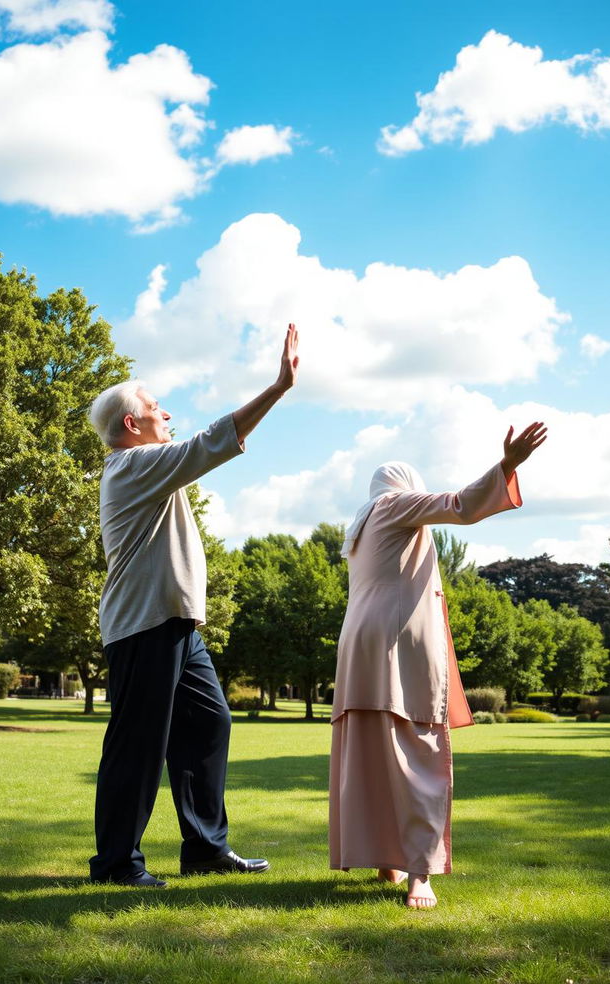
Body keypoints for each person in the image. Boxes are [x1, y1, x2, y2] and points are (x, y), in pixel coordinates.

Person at [88, 325, 299, 887]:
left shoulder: (149, 469)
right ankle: (115, 865)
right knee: (138, 745)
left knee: (209, 723)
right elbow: (210, 442)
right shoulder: (131, 466)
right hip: (144, 626)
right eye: (157, 409)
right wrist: (278, 388)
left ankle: (205, 848)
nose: (168, 414)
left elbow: (198, 446)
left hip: (177, 624)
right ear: (132, 425)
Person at [329, 422, 547, 909]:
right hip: (397, 642)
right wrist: (508, 464)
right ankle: (419, 873)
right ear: (407, 485)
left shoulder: (361, 524)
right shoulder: (396, 505)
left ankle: (384, 857)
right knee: (418, 750)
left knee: (369, 750)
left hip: (359, 645)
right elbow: (462, 506)